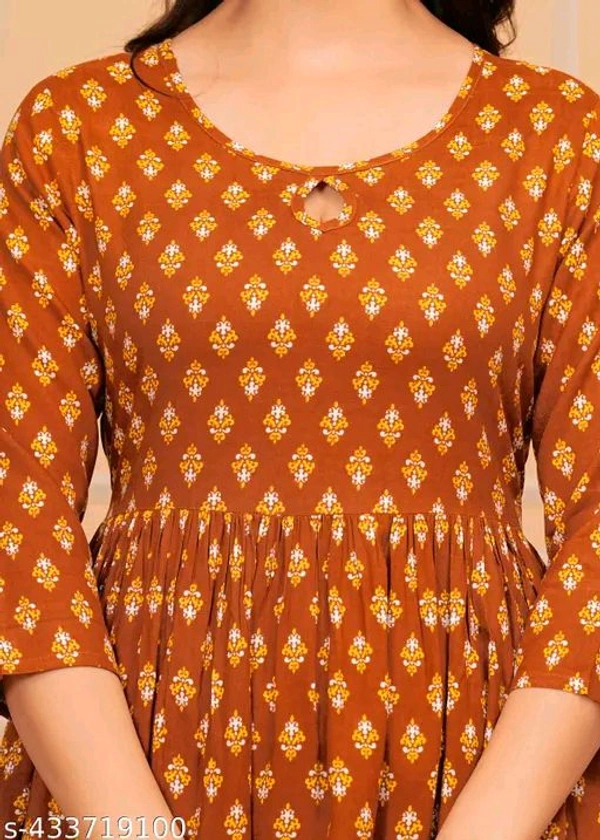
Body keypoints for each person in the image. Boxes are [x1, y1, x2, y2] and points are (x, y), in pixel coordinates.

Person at [1, 0, 600, 837]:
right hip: (131, 759)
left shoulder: (557, 135)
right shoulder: (77, 126)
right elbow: (19, 522)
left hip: (484, 768)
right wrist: (128, 828)